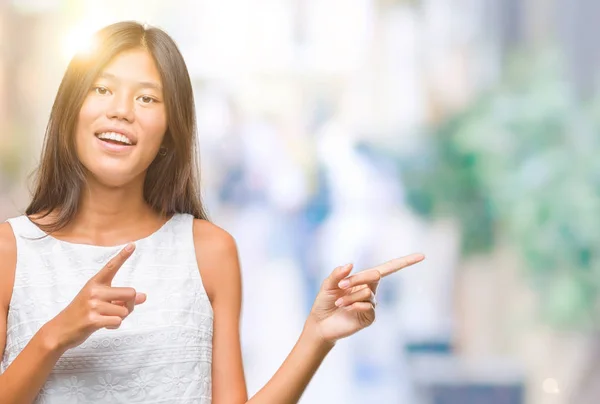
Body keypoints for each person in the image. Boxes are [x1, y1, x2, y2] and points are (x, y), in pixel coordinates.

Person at [0, 21, 424, 404]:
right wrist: (56, 335)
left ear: (170, 131)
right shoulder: (9, 252)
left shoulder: (210, 251)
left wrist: (318, 335)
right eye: (102, 89)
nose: (122, 110)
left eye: (147, 98)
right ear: (71, 108)